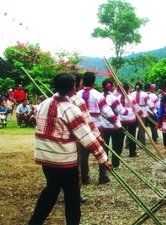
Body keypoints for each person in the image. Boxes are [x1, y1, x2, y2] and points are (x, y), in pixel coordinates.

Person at [28, 73, 112, 225]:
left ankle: (34, 222)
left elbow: (35, 114)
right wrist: (102, 158)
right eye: (75, 84)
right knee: (72, 195)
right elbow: (85, 136)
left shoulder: (44, 103)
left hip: (45, 158)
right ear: (73, 87)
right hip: (64, 160)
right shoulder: (70, 109)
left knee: (52, 189)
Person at [77, 71, 121, 185]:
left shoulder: (77, 95)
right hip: (97, 128)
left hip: (82, 129)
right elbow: (108, 112)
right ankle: (103, 176)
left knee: (83, 154)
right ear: (94, 82)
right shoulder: (97, 95)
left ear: (82, 81)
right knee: (101, 151)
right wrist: (118, 125)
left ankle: (84, 178)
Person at [100, 78, 128, 169]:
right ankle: (115, 163)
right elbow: (120, 111)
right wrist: (129, 110)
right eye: (113, 86)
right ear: (110, 87)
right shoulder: (113, 98)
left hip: (102, 125)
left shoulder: (99, 96)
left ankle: (105, 163)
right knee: (117, 145)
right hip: (115, 125)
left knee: (105, 145)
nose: (114, 87)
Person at [117, 82, 143, 157]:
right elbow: (137, 108)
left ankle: (118, 152)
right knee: (132, 136)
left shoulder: (117, 98)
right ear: (128, 90)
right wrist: (142, 114)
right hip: (131, 120)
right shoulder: (131, 98)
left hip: (121, 120)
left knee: (120, 137)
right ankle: (132, 152)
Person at [130, 82, 156, 146]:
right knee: (142, 128)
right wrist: (155, 111)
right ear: (142, 87)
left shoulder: (131, 94)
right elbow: (150, 104)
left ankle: (128, 144)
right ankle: (142, 144)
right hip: (142, 113)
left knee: (131, 129)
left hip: (133, 112)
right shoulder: (144, 94)